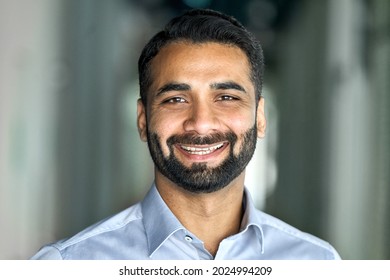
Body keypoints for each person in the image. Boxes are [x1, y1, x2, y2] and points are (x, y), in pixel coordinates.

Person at [31, 8, 340, 260]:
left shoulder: (318, 262)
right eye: (176, 100)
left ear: (259, 117)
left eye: (227, 97)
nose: (201, 124)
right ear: (143, 119)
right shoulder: (68, 264)